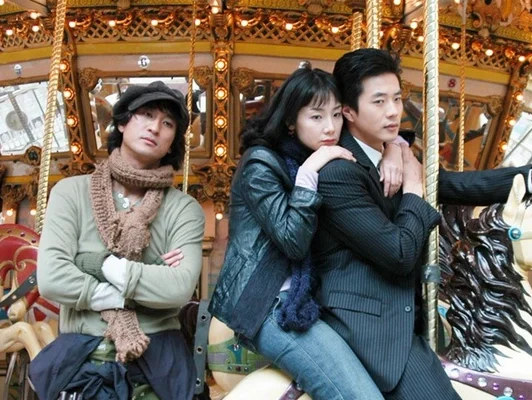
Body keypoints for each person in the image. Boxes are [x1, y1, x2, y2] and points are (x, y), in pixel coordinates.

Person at [310, 48, 532, 399]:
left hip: (401, 318)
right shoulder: (338, 173)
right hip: (366, 325)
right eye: (378, 101)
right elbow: (398, 252)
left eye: (397, 98)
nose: (393, 111)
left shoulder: (391, 153)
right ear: (349, 111)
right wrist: (414, 190)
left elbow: (455, 185)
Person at [209, 64, 408, 400]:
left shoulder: (321, 155)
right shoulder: (261, 164)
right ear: (291, 121)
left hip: (309, 298)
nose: (330, 127)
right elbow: (293, 241)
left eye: (336, 115)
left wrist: (394, 150)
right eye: (316, 117)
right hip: (270, 304)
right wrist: (308, 174)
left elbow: (386, 136)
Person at [32, 81, 205, 400]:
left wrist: (96, 264)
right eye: (146, 114)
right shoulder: (70, 193)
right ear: (123, 122)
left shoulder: (184, 209)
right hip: (81, 356)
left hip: (157, 358)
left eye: (168, 123)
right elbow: (52, 278)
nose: (155, 127)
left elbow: (179, 288)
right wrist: (143, 282)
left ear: (173, 142)